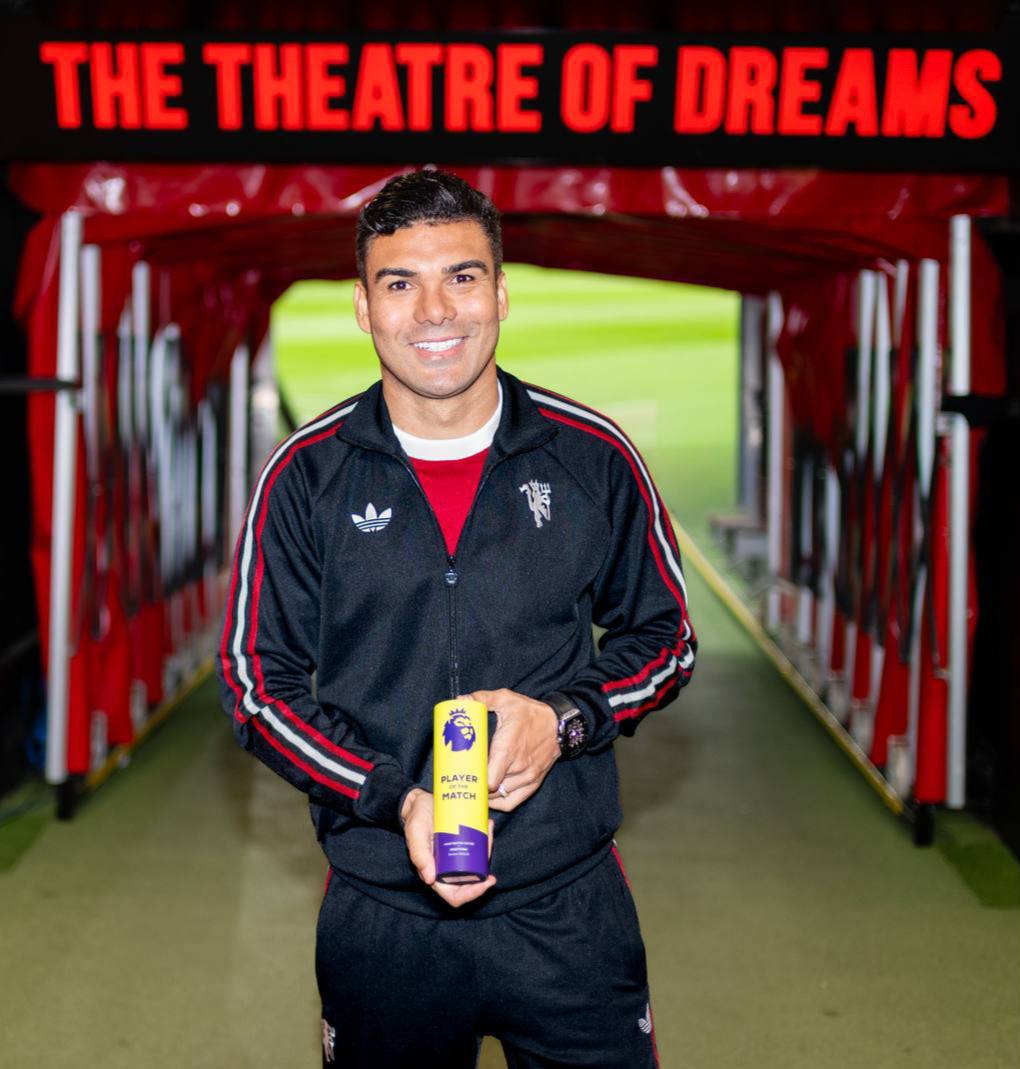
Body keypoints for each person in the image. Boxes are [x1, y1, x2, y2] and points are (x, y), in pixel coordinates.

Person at [216, 170, 697, 1068]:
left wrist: (561, 718)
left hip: (567, 909)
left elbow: (665, 639)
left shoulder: (591, 457)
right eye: (400, 282)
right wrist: (393, 798)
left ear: (501, 292)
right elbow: (255, 688)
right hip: (383, 917)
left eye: (462, 277)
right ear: (363, 306)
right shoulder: (305, 476)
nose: (434, 310)